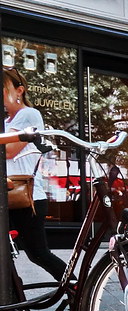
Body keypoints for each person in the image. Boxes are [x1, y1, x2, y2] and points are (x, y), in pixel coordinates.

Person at [4, 67, 68, 283]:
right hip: (7, 197)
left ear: (19, 90)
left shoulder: (29, 115)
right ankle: (15, 306)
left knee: (39, 254)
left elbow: (9, 150)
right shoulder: (5, 124)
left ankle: (78, 293)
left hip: (27, 199)